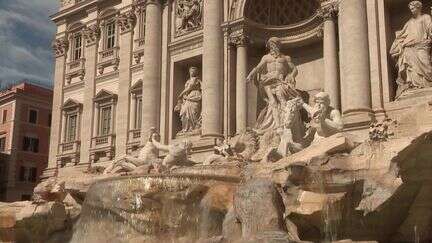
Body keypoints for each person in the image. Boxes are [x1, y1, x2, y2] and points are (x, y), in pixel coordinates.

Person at [246, 37, 300, 133]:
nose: (273, 47)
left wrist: (291, 75)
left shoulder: (285, 58)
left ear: (279, 45)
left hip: (280, 81)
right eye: (271, 45)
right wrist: (250, 75)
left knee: (282, 101)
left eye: (274, 44)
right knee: (273, 102)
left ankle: (285, 122)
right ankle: (278, 125)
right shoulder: (266, 57)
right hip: (268, 82)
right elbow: (258, 68)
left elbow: (294, 69)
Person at [390, 1, 432, 98]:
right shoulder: (409, 23)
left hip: (422, 46)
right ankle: (414, 86)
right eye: (411, 9)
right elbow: (400, 36)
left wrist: (429, 39)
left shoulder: (426, 17)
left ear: (419, 8)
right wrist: (401, 44)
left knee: (426, 65)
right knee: (411, 69)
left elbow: (430, 30)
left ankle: (427, 84)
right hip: (410, 48)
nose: (412, 11)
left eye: (413, 8)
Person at [174, 67, 202, 135]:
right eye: (191, 71)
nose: (192, 72)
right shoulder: (188, 80)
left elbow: (190, 87)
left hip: (194, 95)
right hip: (188, 97)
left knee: (193, 112)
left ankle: (193, 128)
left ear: (196, 72)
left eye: (193, 71)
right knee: (184, 112)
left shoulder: (195, 79)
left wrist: (181, 94)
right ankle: (186, 129)